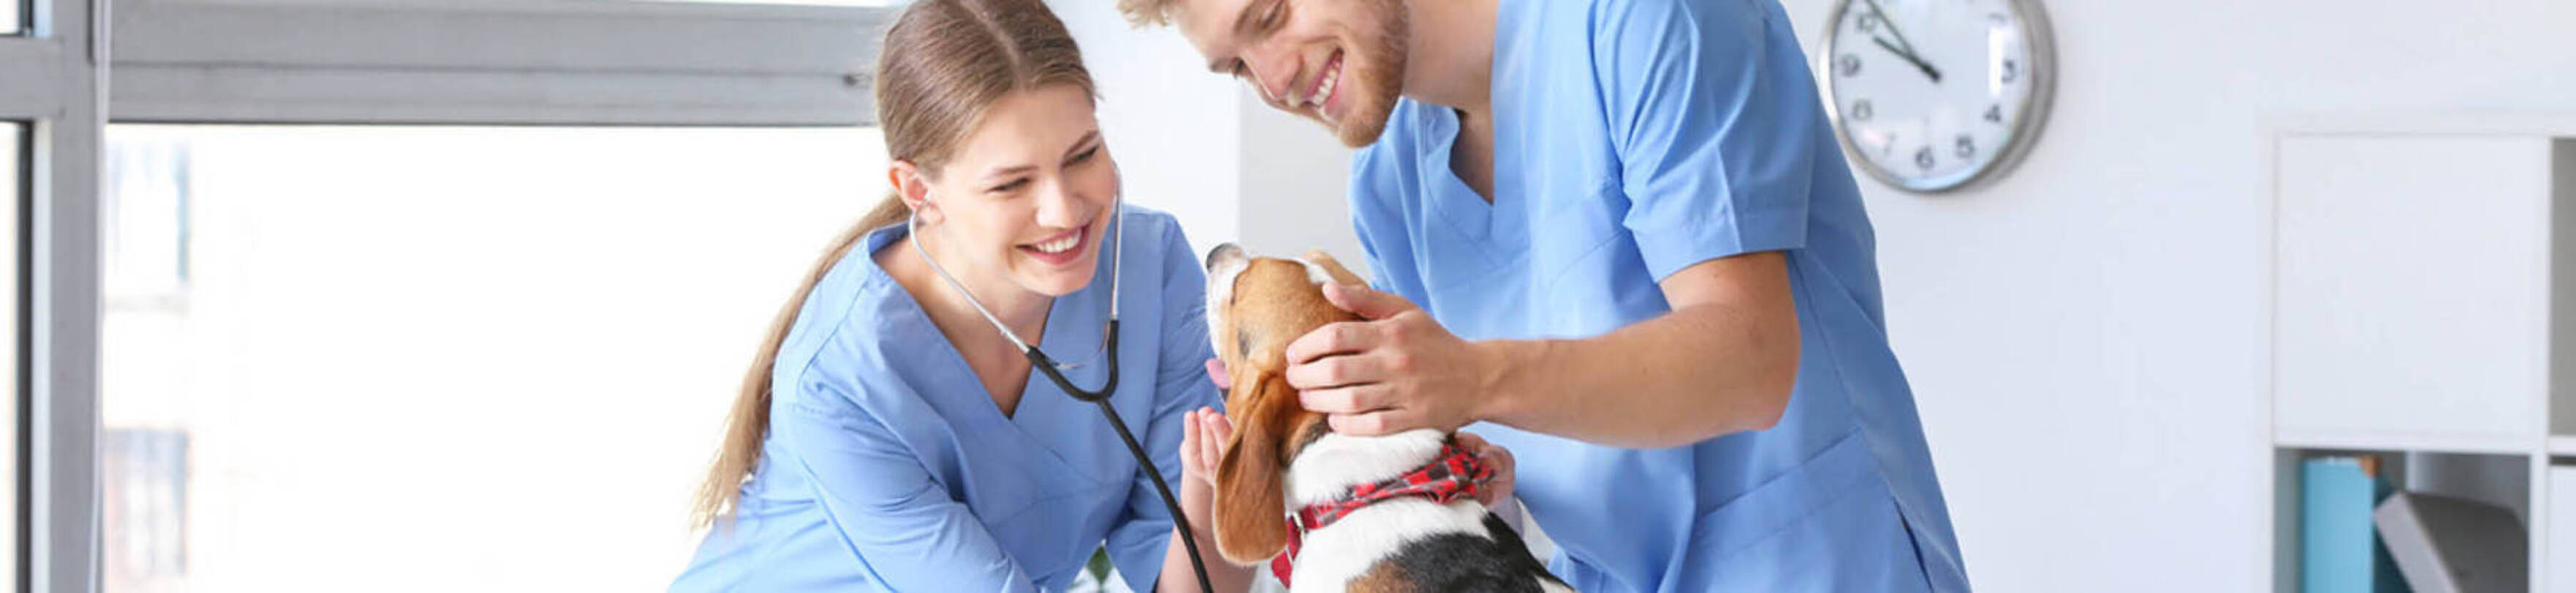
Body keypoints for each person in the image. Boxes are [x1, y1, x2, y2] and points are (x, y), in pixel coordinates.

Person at [1117, 0, 1972, 591]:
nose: (1274, 80)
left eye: (1269, 16)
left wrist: (1475, 380)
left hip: (1816, 565)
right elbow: (1512, 453)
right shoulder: (1389, 187)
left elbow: (1749, 360)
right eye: (1236, 66)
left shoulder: (1642, 21)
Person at [667, 1, 1262, 589]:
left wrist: (1214, 490)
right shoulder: (842, 382)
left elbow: (1199, 577)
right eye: (1011, 184)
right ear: (919, 190)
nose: (1063, 211)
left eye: (1083, 155)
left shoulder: (1149, 269)